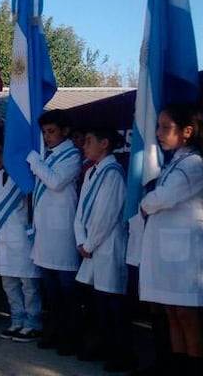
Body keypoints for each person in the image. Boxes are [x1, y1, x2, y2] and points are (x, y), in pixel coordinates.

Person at [138, 104, 203, 375]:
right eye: (158, 127)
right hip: (170, 254)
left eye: (166, 128)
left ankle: (195, 367)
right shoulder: (176, 161)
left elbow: (162, 198)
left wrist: (145, 203)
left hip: (185, 256)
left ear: (187, 132)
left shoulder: (193, 164)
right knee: (173, 312)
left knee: (188, 316)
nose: (159, 133)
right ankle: (177, 365)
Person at [73, 128, 134, 372]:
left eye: (89, 141)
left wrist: (88, 244)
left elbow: (106, 216)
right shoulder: (90, 174)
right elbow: (80, 212)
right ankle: (104, 346)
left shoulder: (113, 174)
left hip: (107, 246)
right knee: (98, 303)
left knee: (113, 304)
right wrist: (81, 240)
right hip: (90, 247)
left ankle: (122, 352)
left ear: (105, 143)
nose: (84, 146)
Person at [25, 109, 82, 355]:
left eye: (51, 131)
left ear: (65, 131)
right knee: (51, 291)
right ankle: (56, 331)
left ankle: (71, 335)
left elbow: (56, 182)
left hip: (62, 232)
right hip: (46, 231)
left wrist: (35, 161)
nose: (47, 137)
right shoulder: (48, 156)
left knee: (67, 291)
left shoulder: (72, 155)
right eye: (44, 132)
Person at [0, 137, 42, 343]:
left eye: (2, 152)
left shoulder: (25, 177)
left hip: (22, 237)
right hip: (1, 238)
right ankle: (16, 319)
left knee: (28, 284)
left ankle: (33, 322)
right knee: (9, 283)